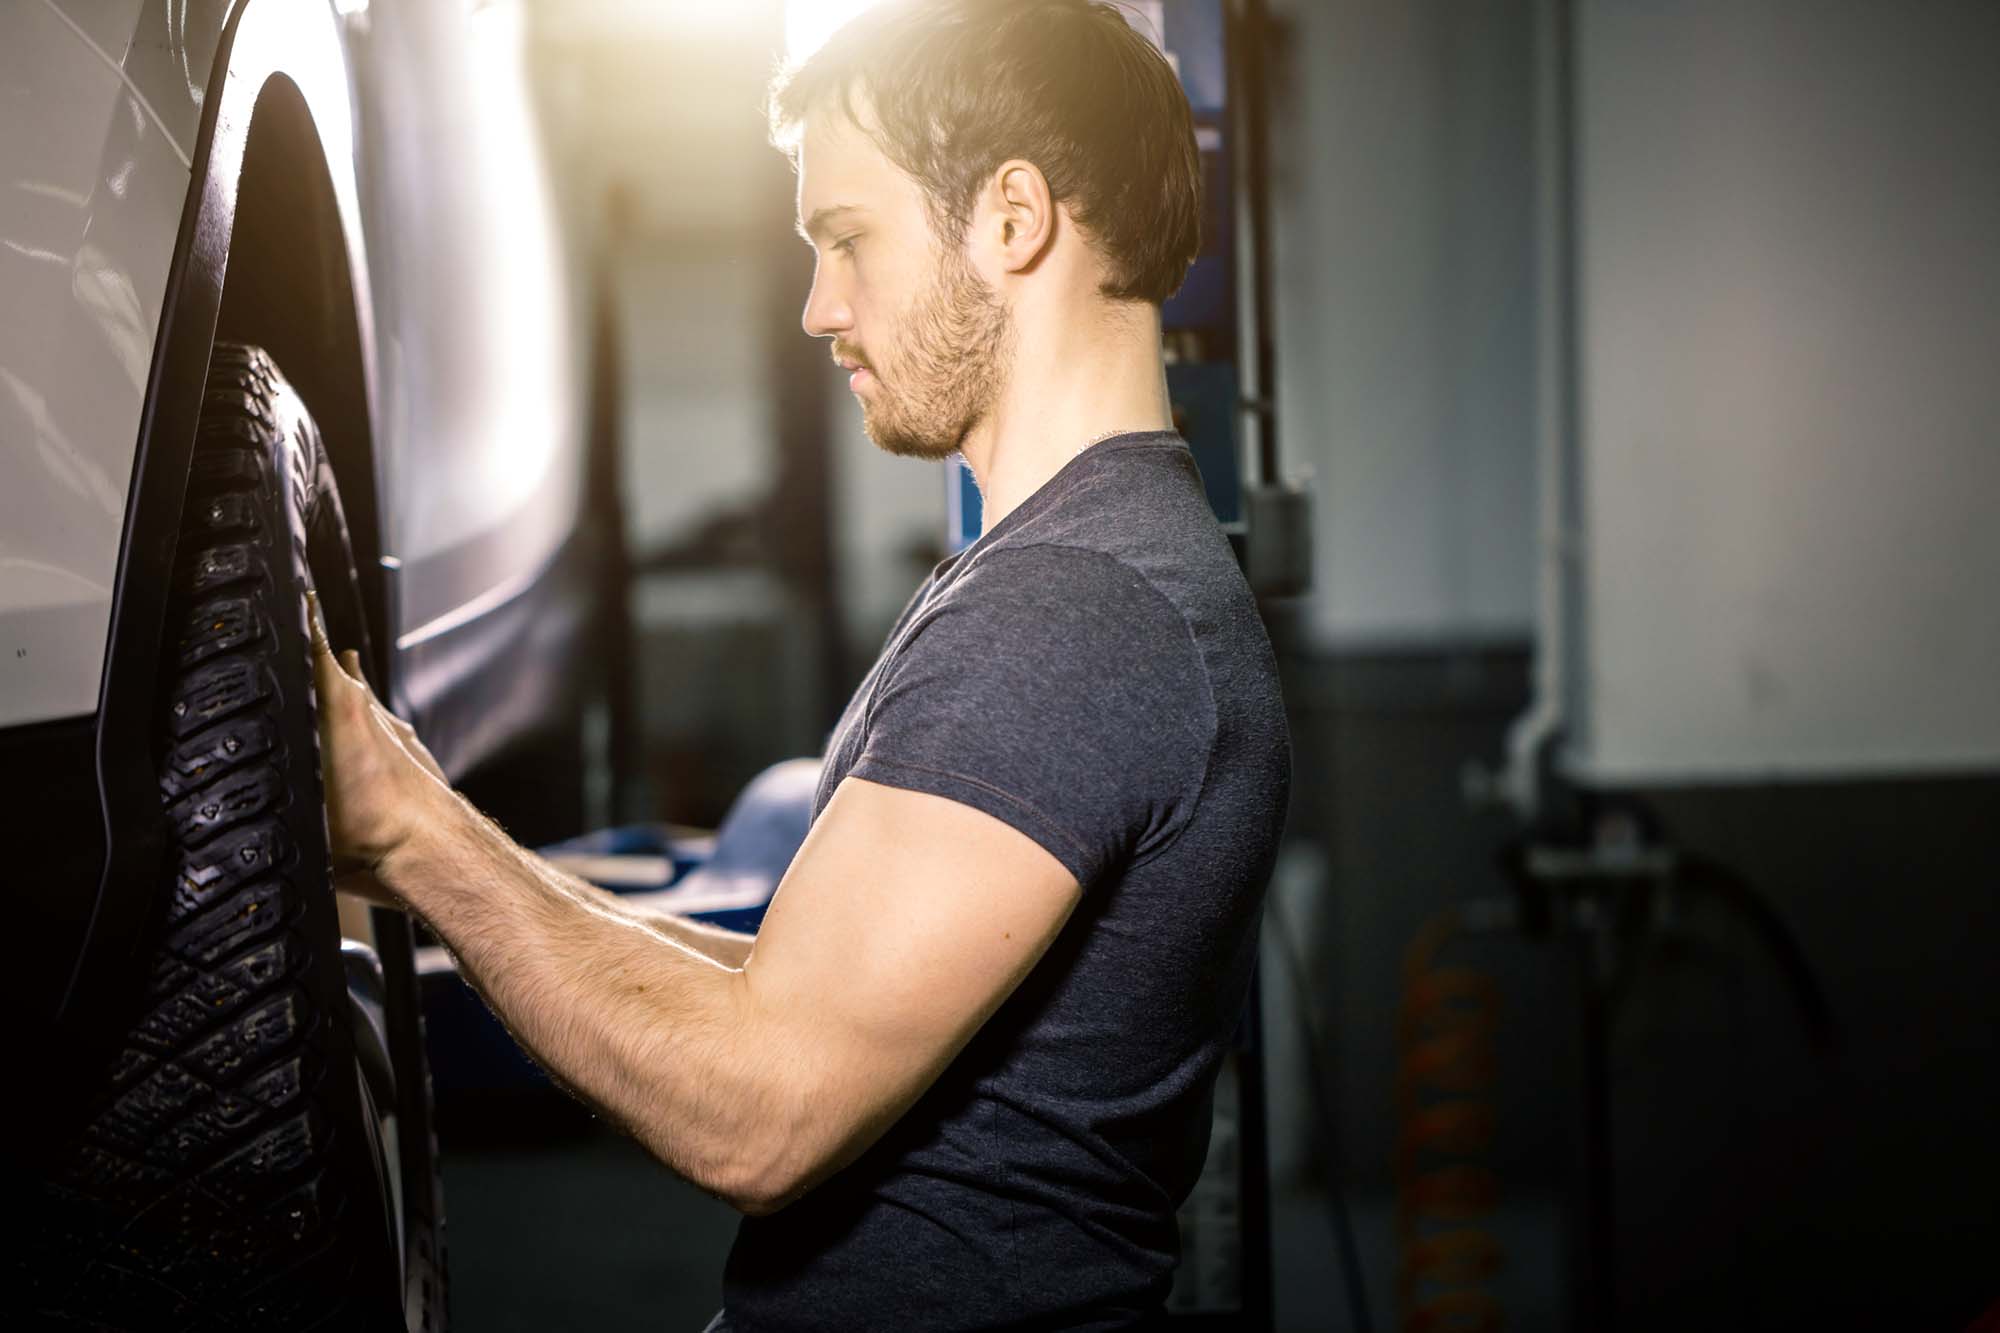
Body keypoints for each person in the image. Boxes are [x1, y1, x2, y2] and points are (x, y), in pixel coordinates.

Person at [312, 0, 1291, 1326]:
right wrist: (463, 884)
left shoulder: (1080, 610)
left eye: (849, 240)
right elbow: (790, 983)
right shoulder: (1082, 573)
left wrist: (423, 836)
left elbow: (761, 1105)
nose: (821, 308)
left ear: (1014, 219)